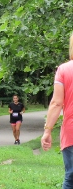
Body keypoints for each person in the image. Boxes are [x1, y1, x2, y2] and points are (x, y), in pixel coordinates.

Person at [41, 34, 73, 188]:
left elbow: (56, 103)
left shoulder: (64, 70)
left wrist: (47, 131)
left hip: (71, 133)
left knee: (71, 178)